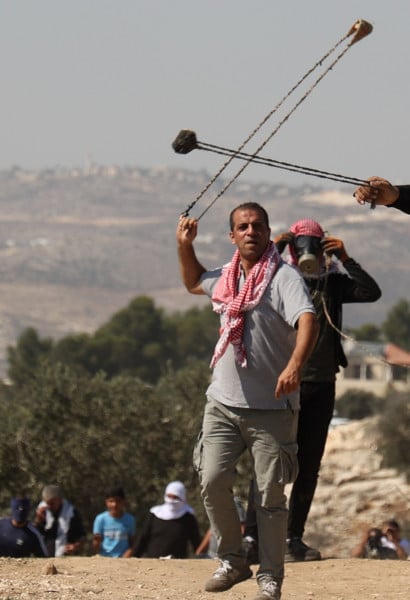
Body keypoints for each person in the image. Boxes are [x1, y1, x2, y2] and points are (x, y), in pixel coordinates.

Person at [176, 203, 318, 600]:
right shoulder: (226, 277)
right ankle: (232, 561)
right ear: (232, 235)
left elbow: (308, 320)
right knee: (211, 480)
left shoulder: (284, 277)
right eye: (243, 226)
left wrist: (295, 365)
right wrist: (185, 246)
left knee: (269, 497)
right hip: (223, 403)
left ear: (269, 232)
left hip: (272, 409)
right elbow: (193, 282)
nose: (251, 231)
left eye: (257, 226)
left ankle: (270, 576)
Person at [243, 218, 381, 564]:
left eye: (314, 244)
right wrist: (276, 248)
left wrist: (346, 258)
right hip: (281, 382)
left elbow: (370, 292)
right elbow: (252, 281)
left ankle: (292, 538)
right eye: (302, 245)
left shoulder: (332, 283)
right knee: (268, 460)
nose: (308, 252)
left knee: (308, 465)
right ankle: (251, 538)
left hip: (321, 383)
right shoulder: (279, 278)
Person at [134, 480, 201, 558]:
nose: (171, 501)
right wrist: (134, 557)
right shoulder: (155, 514)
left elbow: (196, 542)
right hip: (153, 561)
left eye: (175, 497)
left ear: (182, 497)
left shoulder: (188, 517)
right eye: (169, 496)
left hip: (178, 563)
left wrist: (201, 557)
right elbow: (143, 539)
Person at [33, 484, 85, 557]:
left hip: (65, 556)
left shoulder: (71, 512)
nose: (49, 506)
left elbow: (81, 536)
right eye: (47, 503)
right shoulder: (41, 510)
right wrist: (38, 520)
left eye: (52, 503)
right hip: (45, 556)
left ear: (60, 500)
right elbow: (35, 534)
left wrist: (75, 546)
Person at [93, 486, 136, 557]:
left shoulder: (130, 519)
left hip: (123, 558)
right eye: (111, 501)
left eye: (118, 501)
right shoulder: (100, 519)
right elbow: (96, 547)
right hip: (105, 557)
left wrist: (127, 554)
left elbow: (132, 542)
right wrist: (96, 542)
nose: (114, 505)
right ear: (106, 502)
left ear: (123, 501)